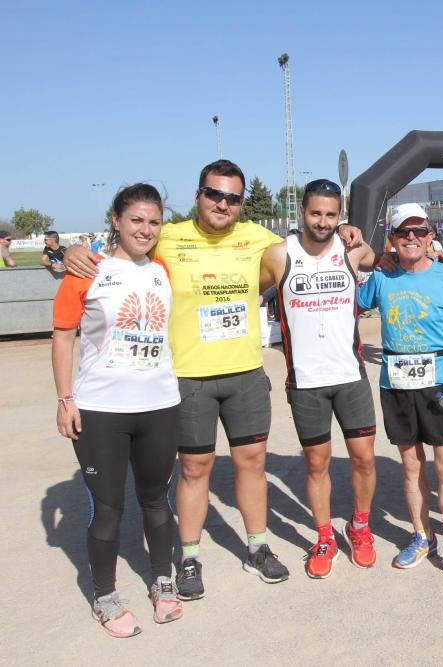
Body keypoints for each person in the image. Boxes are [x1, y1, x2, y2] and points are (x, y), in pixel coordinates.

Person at [62, 160, 360, 597]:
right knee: (195, 468)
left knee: (252, 463)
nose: (223, 204)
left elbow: (316, 242)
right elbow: (125, 248)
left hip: (243, 373)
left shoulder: (260, 238)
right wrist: (75, 254)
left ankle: (257, 546)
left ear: (241, 204)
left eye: (233, 198)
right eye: (214, 194)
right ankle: (189, 557)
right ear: (199, 194)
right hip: (189, 378)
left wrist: (349, 233)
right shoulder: (168, 235)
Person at [51, 184, 183, 637]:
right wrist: (64, 398)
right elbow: (63, 334)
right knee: (107, 509)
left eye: (153, 221)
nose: (145, 230)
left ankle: (163, 582)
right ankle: (105, 596)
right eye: (136, 220)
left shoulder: (163, 268)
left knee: (157, 501)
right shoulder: (87, 269)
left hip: (159, 405)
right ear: (115, 220)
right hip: (100, 410)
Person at [259, 179, 379, 578]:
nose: (323, 221)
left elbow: (374, 257)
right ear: (301, 213)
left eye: (331, 214)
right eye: (315, 213)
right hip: (306, 381)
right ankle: (325, 535)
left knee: (363, 459)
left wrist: (355, 236)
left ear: (340, 216)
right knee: (317, 464)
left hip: (350, 375)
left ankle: (359, 527)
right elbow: (249, 291)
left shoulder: (351, 250)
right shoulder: (279, 255)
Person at [357, 203, 443, 585]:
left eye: (419, 231)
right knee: (411, 464)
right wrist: (366, 252)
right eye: (402, 232)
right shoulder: (382, 276)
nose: (411, 237)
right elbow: (349, 295)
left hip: (441, 381)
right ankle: (421, 535)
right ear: (392, 240)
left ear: (431, 237)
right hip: (396, 382)